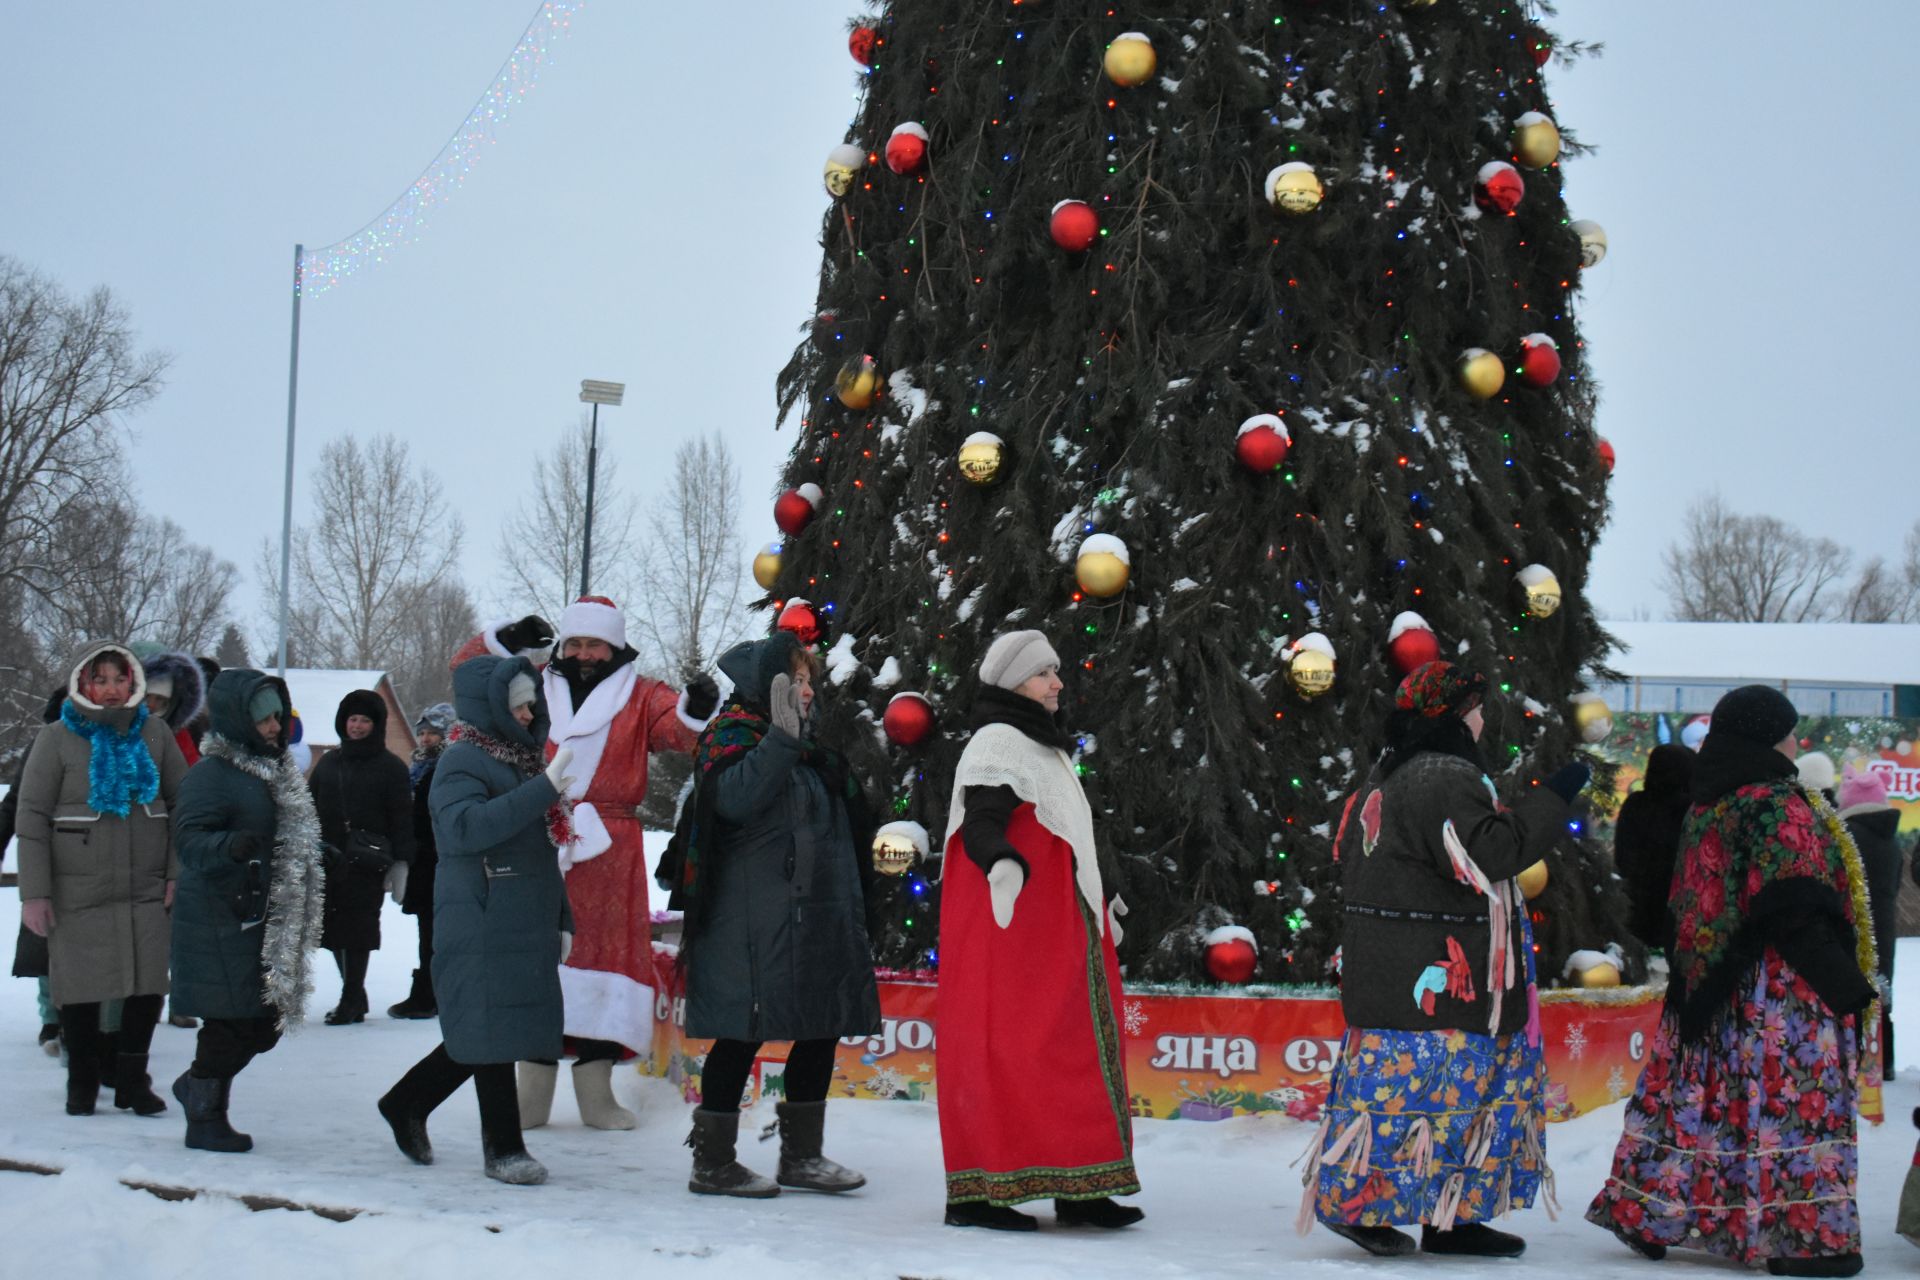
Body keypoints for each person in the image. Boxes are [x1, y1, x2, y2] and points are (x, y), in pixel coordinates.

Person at [1587, 685, 1874, 1277]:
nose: (1795, 741)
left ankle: (1648, 1210)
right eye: (1788, 730)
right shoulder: (1775, 803)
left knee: (1701, 1100)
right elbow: (1793, 902)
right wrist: (1846, 987)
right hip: (1776, 993)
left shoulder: (1710, 800)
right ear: (1769, 735)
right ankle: (1798, 1237)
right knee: (1786, 1101)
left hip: (1709, 983)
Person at [1304, 661, 1587, 1259]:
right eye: (1477, 707)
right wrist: (1555, 798)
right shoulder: (1442, 775)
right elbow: (1491, 853)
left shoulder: (1393, 773)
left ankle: (1451, 1217)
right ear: (1455, 714)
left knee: (1435, 1095)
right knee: (1423, 1089)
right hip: (1438, 974)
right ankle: (1367, 1205)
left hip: (1400, 968)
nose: (1484, 718)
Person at [461, 600, 716, 1131]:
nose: (582, 654)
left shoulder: (643, 694)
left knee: (605, 962)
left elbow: (683, 734)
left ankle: (595, 1090)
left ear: (614, 648)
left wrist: (697, 706)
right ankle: (531, 1088)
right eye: (574, 644)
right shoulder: (530, 681)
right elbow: (468, 676)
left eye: (593, 645)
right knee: (538, 958)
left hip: (610, 848)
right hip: (535, 832)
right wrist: (504, 640)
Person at [937, 630, 1142, 1231]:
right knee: (1008, 1048)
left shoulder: (1042, 745)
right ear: (1012, 684)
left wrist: (1100, 896)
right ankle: (981, 1192)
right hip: (1016, 927)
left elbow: (1066, 833)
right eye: (1043, 674)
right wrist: (1001, 861)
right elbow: (983, 819)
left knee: (1071, 1048)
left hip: (1058, 924)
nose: (1057, 683)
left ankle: (1082, 1186)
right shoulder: (997, 742)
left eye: (1055, 672)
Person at [666, 632, 880, 1197]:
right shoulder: (732, 736)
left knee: (821, 1025)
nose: (807, 691)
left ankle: (802, 1158)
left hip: (812, 917)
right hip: (748, 923)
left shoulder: (807, 750)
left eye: (810, 681)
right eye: (797, 679)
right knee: (741, 1035)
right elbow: (733, 799)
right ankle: (712, 1163)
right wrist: (781, 742)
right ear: (767, 684)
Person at [377, 656, 572, 1185]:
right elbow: (463, 830)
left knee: (494, 1026)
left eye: (533, 703)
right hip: (482, 913)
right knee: (489, 1027)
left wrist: (563, 917)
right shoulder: (462, 760)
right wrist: (545, 788)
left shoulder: (522, 761)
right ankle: (503, 1148)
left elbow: (543, 849)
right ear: (492, 708)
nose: (531, 713)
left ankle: (406, 1102)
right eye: (520, 705)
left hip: (521, 914)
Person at [15, 643, 186, 1118]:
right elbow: (30, 818)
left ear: (134, 683)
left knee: (147, 985)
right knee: (81, 988)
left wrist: (176, 873)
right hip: (79, 889)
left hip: (145, 886)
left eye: (119, 680)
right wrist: (36, 894)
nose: (111, 690)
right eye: (101, 680)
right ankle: (82, 1084)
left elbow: (183, 807)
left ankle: (133, 1080)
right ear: (83, 684)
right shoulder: (56, 738)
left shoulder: (156, 735)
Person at [169, 669, 326, 1152]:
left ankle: (196, 1087)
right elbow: (190, 840)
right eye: (264, 719)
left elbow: (285, 830)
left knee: (264, 1023)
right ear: (239, 719)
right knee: (229, 1023)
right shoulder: (211, 775)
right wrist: (232, 845)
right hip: (219, 918)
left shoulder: (272, 771)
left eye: (278, 716)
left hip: (260, 915)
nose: (275, 726)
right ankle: (205, 1117)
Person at [309, 690, 413, 1025]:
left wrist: (401, 863)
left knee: (359, 930)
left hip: (367, 863)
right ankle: (354, 993)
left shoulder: (391, 768)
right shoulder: (328, 762)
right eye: (352, 719)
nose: (357, 726)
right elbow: (309, 807)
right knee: (333, 929)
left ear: (376, 724)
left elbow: (402, 818)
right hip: (328, 858)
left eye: (364, 720)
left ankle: (351, 998)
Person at [5, 687, 64, 1056]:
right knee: (46, 941)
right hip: (49, 859)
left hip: (96, 863)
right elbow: (17, 802)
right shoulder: (44, 745)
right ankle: (52, 1019)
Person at [388, 702, 454, 1020]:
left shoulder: (447, 768)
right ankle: (427, 991)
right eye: (423, 733)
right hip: (422, 862)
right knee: (427, 930)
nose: (426, 739)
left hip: (438, 863)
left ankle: (431, 993)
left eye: (433, 733)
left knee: (437, 932)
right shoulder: (417, 768)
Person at [1839, 763, 1900, 1079]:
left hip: (1854, 921)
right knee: (1881, 988)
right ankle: (1884, 1061)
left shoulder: (1848, 836)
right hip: (1884, 922)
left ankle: (1857, 1059)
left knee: (1853, 987)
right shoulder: (1890, 838)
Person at [1612, 744, 1695, 953]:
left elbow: (1623, 857)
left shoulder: (1635, 804)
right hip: (1684, 905)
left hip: (1641, 905)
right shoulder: (1693, 808)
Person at [133, 646, 208, 769]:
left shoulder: (178, 736)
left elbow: (189, 771)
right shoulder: (121, 728)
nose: (151, 704)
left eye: (160, 699)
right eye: (147, 697)